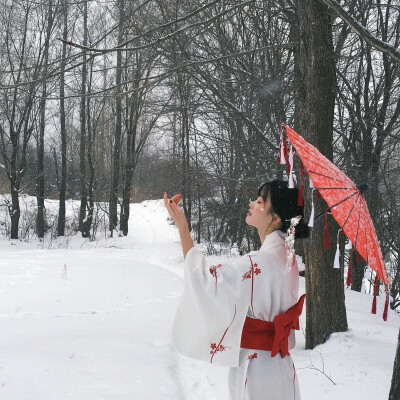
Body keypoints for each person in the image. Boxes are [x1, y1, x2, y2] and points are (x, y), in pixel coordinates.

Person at [163, 179, 309, 400]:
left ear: (276, 218)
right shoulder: (287, 257)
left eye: (260, 201)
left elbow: (206, 281)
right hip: (280, 365)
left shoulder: (260, 262)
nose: (251, 203)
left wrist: (183, 228)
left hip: (258, 367)